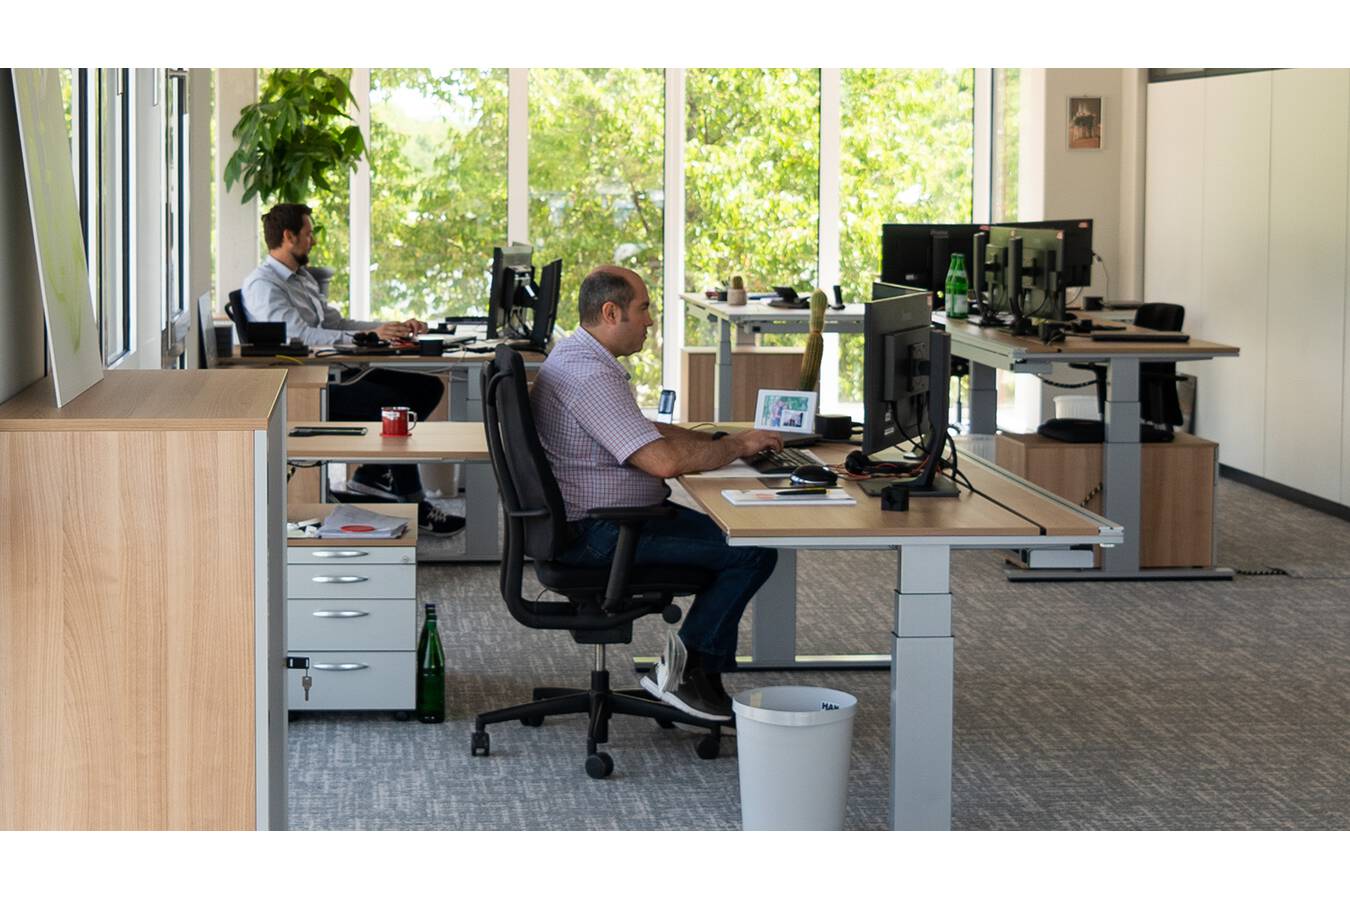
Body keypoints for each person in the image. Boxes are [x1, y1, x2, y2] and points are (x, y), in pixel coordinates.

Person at [530, 266, 784, 721]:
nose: (650, 320)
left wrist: (714, 440)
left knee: (738, 537)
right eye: (643, 308)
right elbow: (662, 462)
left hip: (599, 521)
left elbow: (638, 429)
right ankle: (685, 672)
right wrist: (737, 447)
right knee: (751, 551)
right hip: (603, 533)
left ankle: (695, 676)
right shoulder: (591, 376)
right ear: (612, 312)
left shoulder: (573, 354)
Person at [242, 202, 462, 535]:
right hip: (307, 389)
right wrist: (365, 337)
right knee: (395, 407)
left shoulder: (301, 278)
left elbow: (336, 323)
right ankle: (416, 503)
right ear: (289, 236)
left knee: (427, 387)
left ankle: (371, 475)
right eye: (308, 234)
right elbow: (298, 336)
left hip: (335, 373)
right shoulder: (263, 285)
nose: (314, 241)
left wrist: (386, 328)